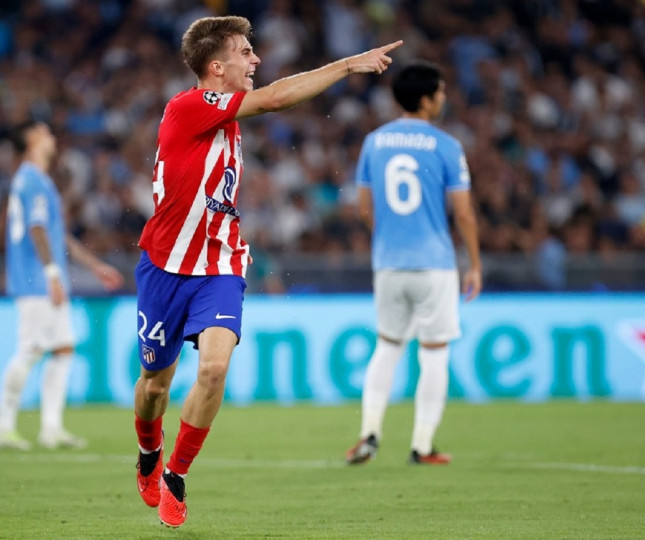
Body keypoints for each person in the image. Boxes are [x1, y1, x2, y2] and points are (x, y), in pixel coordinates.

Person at [133, 15, 402, 528]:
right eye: (245, 52)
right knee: (153, 385)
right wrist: (347, 65)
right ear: (217, 68)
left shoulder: (226, 119)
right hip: (164, 267)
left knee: (213, 369)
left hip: (221, 264)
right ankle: (148, 454)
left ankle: (176, 475)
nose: (255, 59)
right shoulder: (189, 107)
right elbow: (277, 97)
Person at [345, 61, 482, 466]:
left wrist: (389, 238)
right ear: (425, 99)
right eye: (439, 91)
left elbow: (365, 207)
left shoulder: (374, 142)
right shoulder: (446, 145)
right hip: (434, 264)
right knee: (434, 352)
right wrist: (473, 262)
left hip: (388, 263)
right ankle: (422, 446)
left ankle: (369, 434)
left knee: (387, 347)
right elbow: (465, 214)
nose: (443, 97)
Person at [0, 120, 124, 451]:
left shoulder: (36, 181)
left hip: (45, 278)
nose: (52, 137)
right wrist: (53, 275)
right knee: (31, 349)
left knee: (63, 349)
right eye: (46, 132)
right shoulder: (32, 180)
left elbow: (57, 234)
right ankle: (4, 425)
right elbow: (37, 231)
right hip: (37, 280)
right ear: (32, 138)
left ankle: (51, 428)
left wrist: (95, 266)